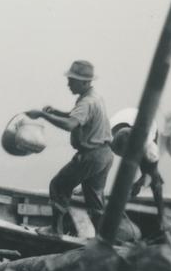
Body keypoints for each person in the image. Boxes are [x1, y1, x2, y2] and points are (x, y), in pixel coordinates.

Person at [26, 60, 113, 235]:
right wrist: (56, 112)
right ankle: (104, 238)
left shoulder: (86, 102)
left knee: (59, 185)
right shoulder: (94, 97)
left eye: (72, 80)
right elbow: (77, 116)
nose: (68, 84)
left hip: (91, 156)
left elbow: (70, 124)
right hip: (105, 155)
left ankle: (55, 230)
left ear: (84, 82)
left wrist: (43, 115)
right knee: (94, 199)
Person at [110, 107, 166, 232]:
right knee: (104, 159)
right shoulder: (107, 134)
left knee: (152, 175)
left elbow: (151, 174)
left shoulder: (149, 147)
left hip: (147, 125)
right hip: (124, 119)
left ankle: (162, 217)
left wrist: (140, 182)